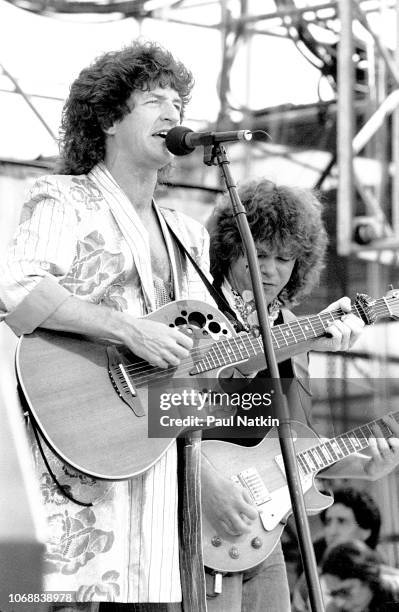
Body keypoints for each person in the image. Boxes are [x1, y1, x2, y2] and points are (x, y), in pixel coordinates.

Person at [0, 41, 217, 610]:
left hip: (151, 455)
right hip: (65, 447)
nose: (173, 115)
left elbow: (198, 352)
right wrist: (126, 329)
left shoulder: (190, 236)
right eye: (154, 101)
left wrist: (298, 333)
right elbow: (17, 288)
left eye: (178, 103)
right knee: (49, 596)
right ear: (108, 118)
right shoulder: (62, 198)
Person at [201, 178, 399, 612]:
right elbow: (169, 414)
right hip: (203, 523)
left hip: (265, 535)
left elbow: (295, 447)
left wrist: (366, 468)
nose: (270, 271)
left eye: (285, 258)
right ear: (228, 249)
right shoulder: (203, 313)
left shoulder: (294, 327)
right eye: (260, 255)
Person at [292, 487, 382, 612]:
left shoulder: (386, 579)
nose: (332, 531)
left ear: (365, 530)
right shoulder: (309, 579)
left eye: (342, 521)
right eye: (328, 522)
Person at [320, 540, 399, 611]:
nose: (340, 603)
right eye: (334, 594)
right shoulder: (336, 609)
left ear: (369, 577)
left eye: (345, 591)